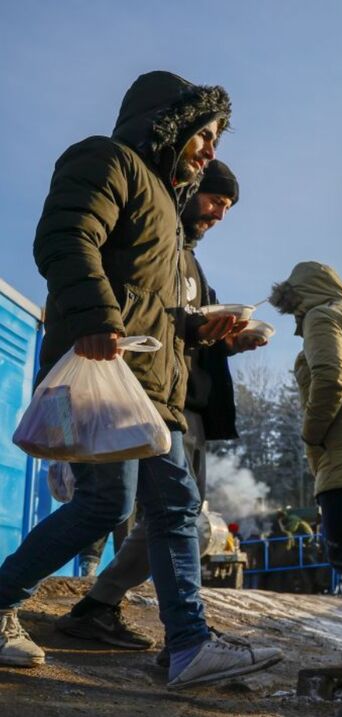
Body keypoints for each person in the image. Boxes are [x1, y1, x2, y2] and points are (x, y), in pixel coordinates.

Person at [0, 70, 282, 686]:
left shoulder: (172, 219)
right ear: (170, 122)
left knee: (175, 504)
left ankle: (188, 646)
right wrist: (99, 317)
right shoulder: (106, 160)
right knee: (108, 503)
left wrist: (197, 330)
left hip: (152, 385)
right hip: (107, 371)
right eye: (204, 134)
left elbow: (150, 306)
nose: (211, 150)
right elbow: (66, 237)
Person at [55, 159, 267, 657]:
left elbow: (183, 332)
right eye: (216, 200)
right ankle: (161, 631)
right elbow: (83, 260)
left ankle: (134, 620)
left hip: (178, 404)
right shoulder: (139, 234)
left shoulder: (188, 263)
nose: (218, 213)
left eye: (227, 207)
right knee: (120, 508)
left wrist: (226, 338)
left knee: (170, 514)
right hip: (132, 394)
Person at [270, 261, 342, 663]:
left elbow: (331, 378)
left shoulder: (323, 316)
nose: (296, 321)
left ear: (302, 295)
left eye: (294, 309)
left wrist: (312, 432)